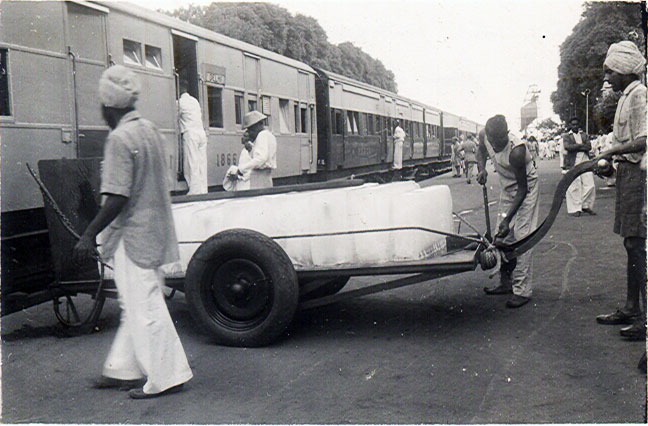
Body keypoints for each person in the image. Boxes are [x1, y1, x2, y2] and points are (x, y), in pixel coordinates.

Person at [72, 65, 193, 399]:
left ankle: (167, 376)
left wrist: (89, 234)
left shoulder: (119, 139)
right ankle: (123, 369)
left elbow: (117, 196)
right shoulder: (150, 130)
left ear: (108, 107)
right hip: (155, 231)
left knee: (144, 307)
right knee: (136, 302)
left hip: (133, 236)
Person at [594, 41, 646, 345]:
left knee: (636, 244)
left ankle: (642, 317)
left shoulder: (639, 95)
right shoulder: (627, 96)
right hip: (627, 174)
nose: (607, 77)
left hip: (638, 175)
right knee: (631, 244)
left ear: (625, 70)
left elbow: (642, 142)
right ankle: (631, 307)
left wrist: (613, 150)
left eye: (610, 71)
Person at [477, 115, 540, 308]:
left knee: (522, 238)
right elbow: (481, 152)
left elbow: (522, 189)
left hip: (526, 190)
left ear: (506, 134)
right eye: (492, 142)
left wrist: (508, 220)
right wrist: (482, 169)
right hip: (506, 188)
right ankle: (506, 283)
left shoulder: (517, 151)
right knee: (500, 237)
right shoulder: (484, 136)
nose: (495, 146)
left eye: (500, 142)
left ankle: (522, 291)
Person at [229, 110, 276, 189]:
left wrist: (241, 169)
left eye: (251, 129)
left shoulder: (262, 135)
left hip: (258, 177)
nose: (250, 132)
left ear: (257, 125)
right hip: (267, 176)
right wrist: (250, 149)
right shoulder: (270, 136)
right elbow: (260, 155)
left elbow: (260, 158)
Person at [561, 117, 596, 217]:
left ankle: (585, 205)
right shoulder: (567, 136)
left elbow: (588, 146)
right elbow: (568, 147)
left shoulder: (584, 135)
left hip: (585, 159)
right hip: (573, 161)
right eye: (573, 124)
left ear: (579, 125)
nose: (575, 126)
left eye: (576, 124)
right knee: (574, 185)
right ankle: (575, 209)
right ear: (570, 125)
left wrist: (576, 146)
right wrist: (581, 146)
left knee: (590, 184)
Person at [178, 79, 208, 195]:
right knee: (202, 163)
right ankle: (203, 190)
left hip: (190, 133)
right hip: (201, 133)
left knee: (192, 162)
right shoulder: (195, 101)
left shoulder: (179, 102)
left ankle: (194, 190)